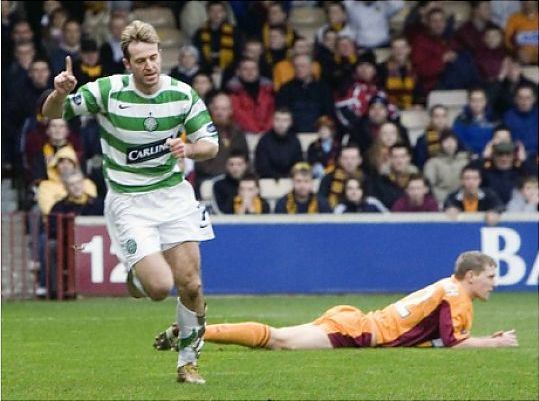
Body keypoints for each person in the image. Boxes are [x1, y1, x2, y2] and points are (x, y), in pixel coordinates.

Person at [41, 20, 219, 384]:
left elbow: (211, 144)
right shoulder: (108, 91)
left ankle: (187, 363)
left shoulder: (182, 94)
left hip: (173, 196)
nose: (150, 66)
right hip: (129, 201)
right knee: (157, 288)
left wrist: (190, 149)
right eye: (141, 61)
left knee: (192, 284)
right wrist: (60, 92)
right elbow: (51, 114)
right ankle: (137, 277)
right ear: (127, 64)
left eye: (154, 57)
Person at [155, 251, 519, 350]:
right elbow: (452, 345)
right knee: (280, 340)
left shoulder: (449, 289)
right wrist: (496, 343)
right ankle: (194, 334)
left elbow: (438, 340)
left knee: (281, 338)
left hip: (357, 322)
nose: (494, 284)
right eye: (490, 277)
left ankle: (193, 334)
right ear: (470, 276)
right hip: (358, 330)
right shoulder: (457, 297)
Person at [423, 130, 470, 206]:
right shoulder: (433, 162)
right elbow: (429, 184)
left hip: (462, 200)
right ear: (441, 144)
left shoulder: (465, 161)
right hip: (440, 200)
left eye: (452, 141)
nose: (450, 144)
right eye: (446, 141)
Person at [254, 108, 303, 179]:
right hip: (268, 181)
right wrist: (278, 177)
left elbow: (298, 164)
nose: (281, 124)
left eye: (285, 120)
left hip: (290, 180)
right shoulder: (264, 141)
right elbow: (262, 167)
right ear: (272, 121)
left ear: (291, 122)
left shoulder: (295, 141)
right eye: (277, 120)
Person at [452, 87, 498, 156]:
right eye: (474, 100)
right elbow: (459, 142)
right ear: (469, 102)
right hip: (468, 157)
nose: (477, 103)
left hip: (491, 156)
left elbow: (498, 139)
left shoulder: (494, 119)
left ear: (485, 101)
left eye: (480, 100)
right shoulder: (461, 120)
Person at [503, 83, 538, 156]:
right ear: (515, 99)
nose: (524, 101)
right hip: (515, 156)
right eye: (521, 98)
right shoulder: (508, 116)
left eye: (528, 98)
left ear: (534, 99)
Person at [504, 0, 539, 65]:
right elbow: (507, 39)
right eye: (525, 1)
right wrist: (517, 51)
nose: (527, 3)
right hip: (521, 60)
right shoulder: (514, 18)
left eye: (530, 1)